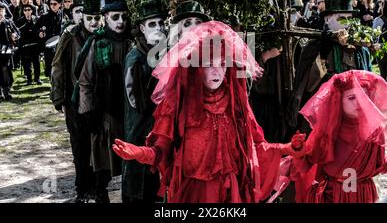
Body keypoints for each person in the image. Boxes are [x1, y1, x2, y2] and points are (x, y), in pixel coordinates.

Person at [113, 21, 305, 203]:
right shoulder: (179, 104)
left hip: (231, 193)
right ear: (196, 69)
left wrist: (288, 148)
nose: (217, 72)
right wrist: (139, 153)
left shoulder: (236, 103)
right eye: (209, 65)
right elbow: (161, 151)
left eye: (222, 64)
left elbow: (257, 146)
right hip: (194, 193)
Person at [280, 70, 387, 203]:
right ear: (339, 100)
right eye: (351, 98)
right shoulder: (327, 131)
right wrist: (298, 151)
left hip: (365, 196)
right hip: (333, 198)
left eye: (364, 98)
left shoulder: (374, 132)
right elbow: (306, 165)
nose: (358, 103)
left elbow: (379, 166)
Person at [287, 0, 372, 141]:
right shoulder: (315, 47)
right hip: (324, 116)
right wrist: (323, 56)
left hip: (353, 115)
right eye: (341, 18)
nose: (346, 24)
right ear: (327, 20)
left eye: (350, 19)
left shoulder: (360, 49)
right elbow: (308, 85)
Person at [76, 0, 131, 203]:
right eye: (115, 17)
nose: (120, 22)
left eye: (124, 17)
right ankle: (101, 194)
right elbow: (85, 81)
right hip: (104, 114)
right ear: (106, 17)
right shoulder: (97, 43)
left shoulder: (133, 42)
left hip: (129, 112)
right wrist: (87, 111)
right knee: (104, 162)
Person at [51, 0, 103, 203]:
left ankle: (99, 188)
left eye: (97, 18)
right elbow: (58, 67)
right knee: (79, 145)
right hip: (74, 101)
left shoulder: (104, 37)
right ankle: (82, 188)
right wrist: (59, 98)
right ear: (82, 18)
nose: (93, 22)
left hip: (98, 101)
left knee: (98, 145)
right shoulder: (70, 36)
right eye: (89, 18)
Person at [122, 0, 168, 203]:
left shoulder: (163, 52)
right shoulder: (135, 58)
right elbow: (136, 101)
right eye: (152, 24)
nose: (158, 28)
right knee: (140, 182)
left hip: (161, 129)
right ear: (142, 28)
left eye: (160, 23)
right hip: (141, 128)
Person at [36, 0, 63, 77]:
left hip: (60, 42)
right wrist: (39, 32)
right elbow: (36, 27)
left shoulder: (63, 15)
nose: (52, 6)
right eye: (51, 4)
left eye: (55, 4)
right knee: (50, 63)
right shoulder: (44, 16)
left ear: (59, 5)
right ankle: (52, 80)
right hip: (48, 43)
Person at [16, 4, 42, 85]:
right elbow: (18, 31)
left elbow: (39, 29)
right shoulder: (20, 21)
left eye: (29, 10)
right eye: (25, 10)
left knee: (36, 63)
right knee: (27, 64)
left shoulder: (36, 19)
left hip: (35, 44)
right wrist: (25, 25)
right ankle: (29, 79)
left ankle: (37, 78)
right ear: (23, 12)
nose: (27, 11)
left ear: (31, 10)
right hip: (25, 45)